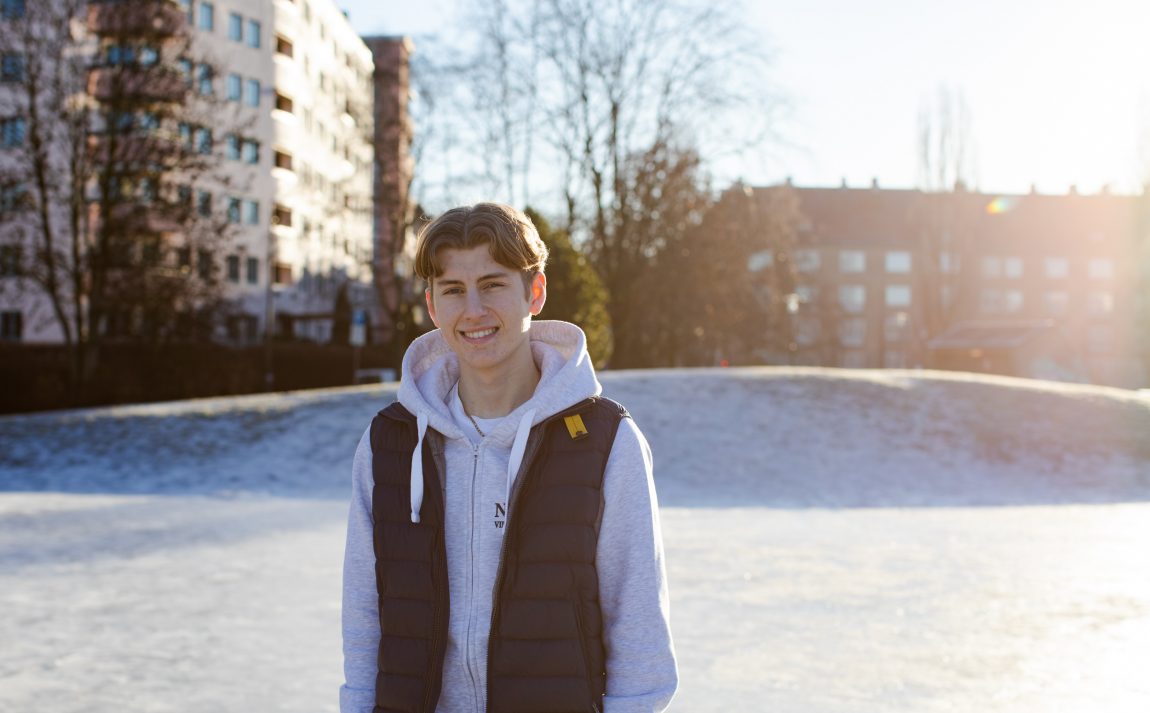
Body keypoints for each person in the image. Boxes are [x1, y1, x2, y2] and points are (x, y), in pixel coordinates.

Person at [340, 202, 677, 713]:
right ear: (433, 306)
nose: (473, 310)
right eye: (453, 290)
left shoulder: (604, 440)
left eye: (493, 284)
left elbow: (637, 625)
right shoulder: (391, 442)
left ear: (534, 292)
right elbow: (365, 617)